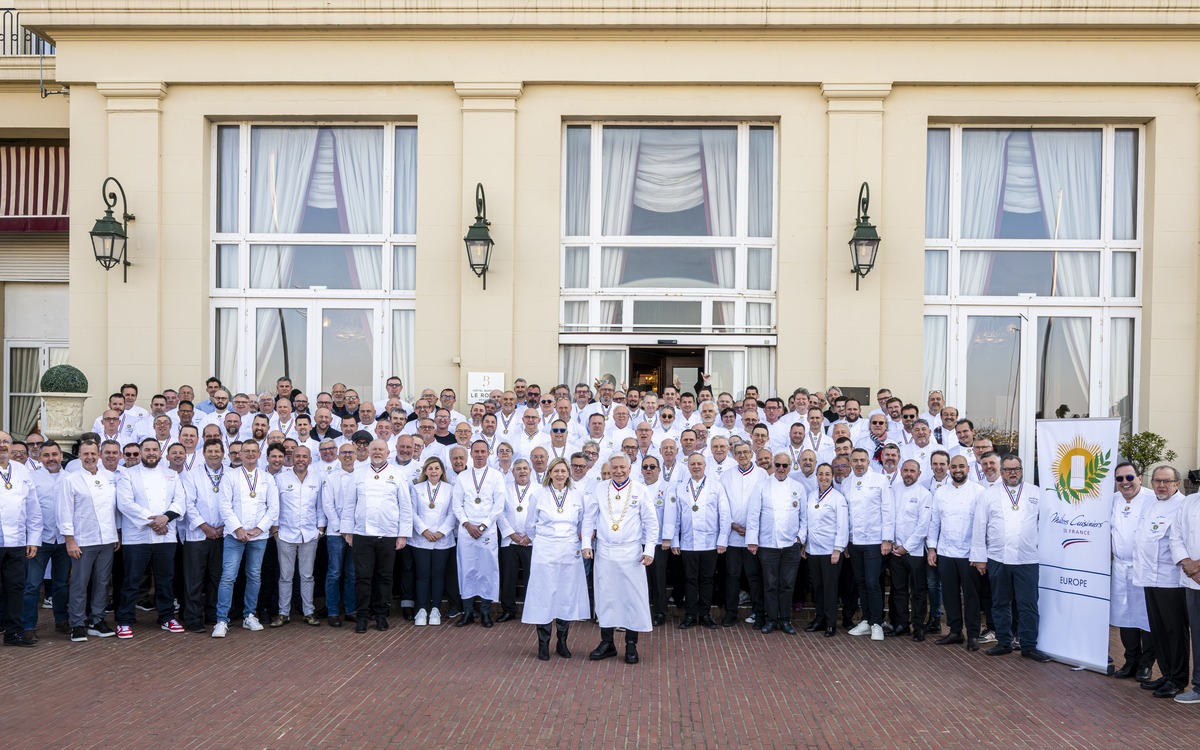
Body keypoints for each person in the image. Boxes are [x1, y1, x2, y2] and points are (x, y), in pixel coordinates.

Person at [970, 455, 1049, 661]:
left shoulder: (1036, 492)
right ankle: (1004, 642)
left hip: (1028, 558)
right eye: (1008, 469)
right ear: (1001, 471)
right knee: (1000, 602)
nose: (1012, 473)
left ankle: (1029, 645)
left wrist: (1042, 544)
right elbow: (979, 526)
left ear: (1021, 470)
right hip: (998, 557)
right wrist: (980, 557)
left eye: (1016, 469)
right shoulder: (988, 494)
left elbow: (1046, 522)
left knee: (1028, 604)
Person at [583, 454, 657, 663]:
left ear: (629, 467)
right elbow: (588, 519)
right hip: (605, 552)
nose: (618, 471)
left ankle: (631, 645)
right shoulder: (599, 489)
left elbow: (651, 522)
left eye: (622, 467)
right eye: (614, 467)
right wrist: (586, 545)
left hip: (631, 553)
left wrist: (649, 549)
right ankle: (607, 643)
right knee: (606, 597)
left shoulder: (640, 490)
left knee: (632, 598)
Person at [114, 438, 186, 638]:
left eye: (155, 449)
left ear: (160, 452)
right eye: (147, 450)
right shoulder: (127, 474)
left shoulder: (172, 474)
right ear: (141, 452)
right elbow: (125, 504)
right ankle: (125, 620)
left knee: (165, 580)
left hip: (166, 537)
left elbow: (180, 501)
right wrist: (154, 522)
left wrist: (166, 518)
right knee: (131, 580)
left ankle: (167, 617)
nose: (151, 453)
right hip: (137, 537)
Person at [521, 457, 589, 660]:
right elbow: (529, 526)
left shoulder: (577, 496)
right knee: (543, 595)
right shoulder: (538, 495)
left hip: (569, 550)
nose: (560, 474)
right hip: (545, 550)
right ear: (549, 473)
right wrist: (544, 541)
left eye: (563, 471)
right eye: (556, 471)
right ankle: (543, 643)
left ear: (568, 474)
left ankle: (562, 642)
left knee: (566, 595)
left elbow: (581, 523)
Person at [342, 440, 412, 634]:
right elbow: (349, 505)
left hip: (388, 534)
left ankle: (381, 615)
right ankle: (362, 616)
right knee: (362, 578)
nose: (377, 452)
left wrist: (403, 535)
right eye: (374, 449)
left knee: (385, 577)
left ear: (388, 452)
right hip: (362, 534)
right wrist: (348, 531)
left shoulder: (398, 474)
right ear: (368, 451)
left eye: (381, 449)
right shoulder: (358, 473)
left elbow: (405, 506)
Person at [212, 441, 279, 638]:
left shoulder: (267, 478)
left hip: (258, 536)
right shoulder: (230, 476)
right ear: (239, 455)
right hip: (234, 535)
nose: (250, 454)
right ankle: (221, 619)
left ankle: (249, 615)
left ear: (259, 454)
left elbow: (274, 508)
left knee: (254, 576)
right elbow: (224, 506)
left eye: (253, 451)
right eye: (246, 451)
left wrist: (259, 529)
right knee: (228, 578)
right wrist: (238, 529)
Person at [1134, 466, 1188, 698]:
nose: (1161, 485)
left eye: (1167, 481)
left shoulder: (1184, 506)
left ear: (1177, 483)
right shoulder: (1151, 503)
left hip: (1171, 580)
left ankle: (1177, 679)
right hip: (1149, 578)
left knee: (1175, 632)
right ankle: (1166, 674)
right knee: (1158, 630)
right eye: (1157, 481)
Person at [58, 441, 119, 642]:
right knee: (79, 583)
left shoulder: (109, 477)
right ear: (79, 456)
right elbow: (64, 512)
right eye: (85, 454)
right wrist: (70, 540)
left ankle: (97, 620)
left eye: (93, 453)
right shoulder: (70, 480)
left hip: (107, 539)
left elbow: (114, 509)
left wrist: (115, 534)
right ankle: (77, 623)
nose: (90, 457)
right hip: (82, 540)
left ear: (99, 455)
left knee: (102, 582)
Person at [663, 453, 729, 630]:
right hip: (687, 543)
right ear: (688, 466)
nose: (696, 467)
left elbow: (724, 515)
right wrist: (674, 541)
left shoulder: (716, 487)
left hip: (710, 543)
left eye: (699, 463)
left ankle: (705, 615)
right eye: (693, 464)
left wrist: (722, 540)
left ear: (705, 465)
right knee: (690, 579)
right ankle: (691, 615)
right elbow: (674, 516)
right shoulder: (680, 488)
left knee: (707, 579)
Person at [928, 454, 986, 652]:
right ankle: (954, 632)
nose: (957, 470)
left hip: (969, 553)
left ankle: (973, 634)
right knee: (950, 595)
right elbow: (935, 522)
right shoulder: (940, 492)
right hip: (945, 551)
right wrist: (932, 548)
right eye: (954, 467)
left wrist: (978, 554)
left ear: (968, 469)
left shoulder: (979, 491)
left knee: (971, 596)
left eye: (961, 466)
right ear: (949, 469)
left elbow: (982, 525)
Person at [747, 452, 804, 634]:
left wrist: (800, 538)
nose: (780, 469)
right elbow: (753, 515)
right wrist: (752, 541)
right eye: (777, 465)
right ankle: (771, 620)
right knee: (770, 584)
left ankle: (785, 620)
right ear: (773, 465)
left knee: (787, 585)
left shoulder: (798, 487)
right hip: (767, 544)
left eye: (784, 466)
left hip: (791, 546)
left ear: (790, 466)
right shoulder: (761, 486)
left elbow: (805, 517)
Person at [451, 441, 507, 627]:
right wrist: (467, 524)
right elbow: (456, 504)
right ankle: (467, 612)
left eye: (483, 451)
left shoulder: (496, 476)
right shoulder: (463, 477)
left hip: (487, 531)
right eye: (476, 452)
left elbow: (498, 506)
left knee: (487, 570)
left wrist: (482, 526)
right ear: (471, 453)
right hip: (467, 531)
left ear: (488, 453)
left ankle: (485, 613)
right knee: (466, 569)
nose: (480, 455)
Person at [842, 448, 895, 641]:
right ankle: (866, 620)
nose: (859, 464)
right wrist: (846, 541)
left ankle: (877, 623)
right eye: (855, 460)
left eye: (862, 460)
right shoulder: (846, 483)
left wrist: (887, 539)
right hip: (855, 541)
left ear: (868, 462)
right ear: (850, 462)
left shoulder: (880, 480)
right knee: (861, 582)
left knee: (873, 583)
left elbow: (888, 510)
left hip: (874, 540)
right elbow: (845, 515)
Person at [1110, 462, 1156, 680]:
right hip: (1120, 567)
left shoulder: (1152, 499)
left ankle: (1147, 664)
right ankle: (1131, 660)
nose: (1125, 483)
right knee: (1124, 616)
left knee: (1146, 616)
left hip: (1145, 568)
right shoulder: (1112, 500)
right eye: (1120, 479)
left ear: (1139, 477)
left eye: (1129, 477)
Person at [271, 445, 323, 628]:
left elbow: (321, 507)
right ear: (291, 458)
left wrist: (320, 530)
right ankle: (283, 613)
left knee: (307, 576)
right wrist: (275, 531)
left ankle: (309, 612)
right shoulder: (280, 479)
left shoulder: (317, 479)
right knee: (285, 576)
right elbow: (274, 506)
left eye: (304, 457)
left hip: (309, 535)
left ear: (310, 460)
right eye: (297, 456)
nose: (301, 459)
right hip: (285, 534)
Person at [22, 440, 69, 641]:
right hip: (38, 540)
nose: (51, 459)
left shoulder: (71, 478)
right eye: (47, 455)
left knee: (61, 584)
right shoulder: (31, 478)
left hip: (64, 540)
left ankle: (61, 620)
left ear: (61, 456)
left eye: (55, 455)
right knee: (32, 584)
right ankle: (28, 625)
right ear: (40, 457)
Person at [180, 438, 226, 633]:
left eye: (217, 451)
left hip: (223, 534)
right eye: (210, 451)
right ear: (203, 453)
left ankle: (213, 614)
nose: (214, 454)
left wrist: (224, 526)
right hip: (197, 535)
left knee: (217, 578)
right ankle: (192, 617)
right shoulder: (192, 475)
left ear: (223, 453)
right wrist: (205, 527)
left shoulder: (231, 474)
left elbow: (235, 502)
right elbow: (188, 504)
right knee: (194, 579)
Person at [719, 441, 767, 628]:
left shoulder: (762, 474)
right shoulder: (727, 476)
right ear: (733, 455)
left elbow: (764, 502)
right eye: (739, 453)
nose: (743, 456)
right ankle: (731, 613)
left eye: (746, 452)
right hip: (732, 535)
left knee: (754, 576)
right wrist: (732, 524)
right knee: (732, 576)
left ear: (752, 453)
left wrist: (752, 528)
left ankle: (759, 614)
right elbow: (722, 505)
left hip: (753, 537)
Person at [0, 431, 40, 647]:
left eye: (5, 441)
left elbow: (32, 507)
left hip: (16, 541)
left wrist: (33, 538)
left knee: (15, 587)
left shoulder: (22, 470)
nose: (2, 446)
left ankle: (13, 632)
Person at [800, 463, 848, 636]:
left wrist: (838, 548)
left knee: (830, 588)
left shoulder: (838, 498)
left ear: (832, 476)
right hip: (813, 550)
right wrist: (805, 544)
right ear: (817, 476)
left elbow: (842, 525)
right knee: (817, 587)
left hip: (830, 550)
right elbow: (806, 522)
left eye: (827, 474)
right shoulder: (811, 496)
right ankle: (819, 618)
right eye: (821, 474)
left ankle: (830, 622)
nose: (824, 477)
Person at [409, 457, 455, 627]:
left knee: (438, 574)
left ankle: (435, 608)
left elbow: (453, 512)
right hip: (421, 538)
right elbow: (412, 512)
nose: (433, 471)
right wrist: (424, 531)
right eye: (430, 468)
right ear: (425, 471)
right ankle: (422, 609)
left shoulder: (450, 489)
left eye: (437, 468)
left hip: (442, 539)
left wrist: (441, 532)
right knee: (422, 574)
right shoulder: (416, 488)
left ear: (442, 471)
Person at [889, 459, 932, 641]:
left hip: (914, 552)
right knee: (898, 589)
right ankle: (902, 624)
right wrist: (892, 542)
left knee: (918, 591)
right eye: (905, 470)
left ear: (919, 474)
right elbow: (889, 516)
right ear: (900, 471)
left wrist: (906, 547)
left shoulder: (925, 494)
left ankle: (919, 626)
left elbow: (923, 526)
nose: (908, 474)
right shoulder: (894, 490)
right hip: (895, 549)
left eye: (912, 471)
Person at [1168, 466, 1200, 704]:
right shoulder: (1189, 502)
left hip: (1195, 572)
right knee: (1197, 635)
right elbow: (1175, 535)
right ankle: (1199, 686)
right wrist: (1187, 563)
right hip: (1192, 581)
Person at [321, 442, 358, 626]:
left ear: (356, 454)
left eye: (351, 452)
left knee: (352, 573)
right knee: (334, 573)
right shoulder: (331, 477)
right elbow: (327, 506)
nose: (347, 455)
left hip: (357, 532)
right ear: (338, 455)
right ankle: (333, 611)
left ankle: (351, 610)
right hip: (336, 534)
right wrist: (341, 529)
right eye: (344, 452)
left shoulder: (361, 476)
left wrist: (353, 530)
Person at [496, 459, 535, 623]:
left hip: (531, 541)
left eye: (525, 468)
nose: (522, 471)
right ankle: (508, 610)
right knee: (508, 577)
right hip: (510, 540)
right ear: (512, 472)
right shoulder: (504, 489)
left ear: (530, 471)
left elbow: (541, 515)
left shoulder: (539, 489)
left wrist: (529, 536)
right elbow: (500, 513)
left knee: (531, 577)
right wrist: (512, 534)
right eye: (518, 469)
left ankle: (532, 610)